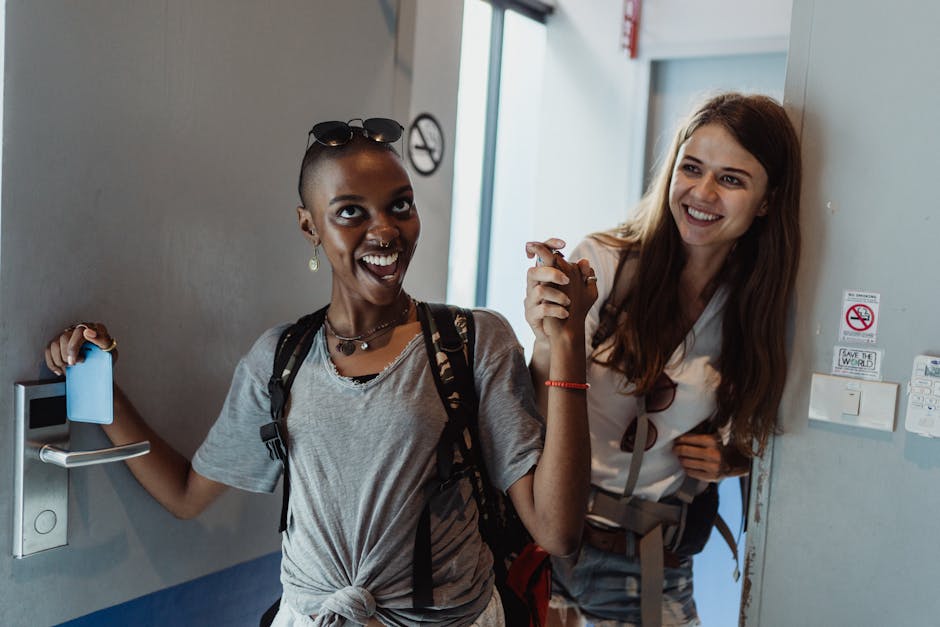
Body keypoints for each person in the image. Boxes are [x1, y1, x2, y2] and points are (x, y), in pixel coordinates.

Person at [44, 118, 598, 627]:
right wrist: (98, 383)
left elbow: (557, 531)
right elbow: (186, 494)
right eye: (351, 212)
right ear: (309, 226)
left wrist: (567, 340)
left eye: (400, 205)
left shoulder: (471, 342)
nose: (386, 231)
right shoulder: (279, 358)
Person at [523, 93, 802, 627]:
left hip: (649, 561)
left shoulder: (759, 307)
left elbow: (776, 433)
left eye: (731, 179)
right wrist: (547, 338)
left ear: (767, 201)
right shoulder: (603, 262)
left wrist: (731, 459)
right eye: (691, 168)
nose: (702, 193)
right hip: (545, 538)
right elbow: (534, 406)